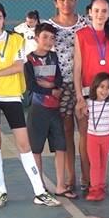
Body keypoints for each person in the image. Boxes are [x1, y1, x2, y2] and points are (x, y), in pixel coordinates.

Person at [0, 2, 60, 208]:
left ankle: (39, 192)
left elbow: (18, 66)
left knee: (24, 144)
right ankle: (0, 191)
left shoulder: (16, 39)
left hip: (12, 96)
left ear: (4, 19)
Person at [73, 0, 109, 197]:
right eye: (96, 10)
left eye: (104, 11)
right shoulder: (81, 35)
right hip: (88, 93)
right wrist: (79, 97)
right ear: (90, 12)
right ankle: (90, 180)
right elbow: (77, 68)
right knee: (89, 137)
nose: (100, 14)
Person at [47, 0, 89, 195]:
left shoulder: (86, 23)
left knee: (86, 132)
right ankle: (70, 178)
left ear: (76, 0)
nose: (66, 3)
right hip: (61, 87)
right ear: (56, 2)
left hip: (83, 84)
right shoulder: (48, 26)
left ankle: (87, 178)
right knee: (66, 133)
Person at [25, 23, 72, 199]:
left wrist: (50, 85)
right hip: (38, 109)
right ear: (37, 38)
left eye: (52, 38)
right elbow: (31, 85)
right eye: (45, 37)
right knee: (36, 149)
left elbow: (59, 79)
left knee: (60, 146)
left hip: (54, 109)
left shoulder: (54, 57)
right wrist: (51, 90)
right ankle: (40, 187)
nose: (49, 41)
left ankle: (60, 185)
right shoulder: (29, 60)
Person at [85, 73, 109, 202]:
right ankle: (94, 188)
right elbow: (79, 109)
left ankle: (101, 187)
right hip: (92, 138)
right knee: (95, 164)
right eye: (101, 87)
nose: (105, 91)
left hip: (106, 137)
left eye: (108, 88)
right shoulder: (89, 103)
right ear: (95, 87)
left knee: (103, 163)